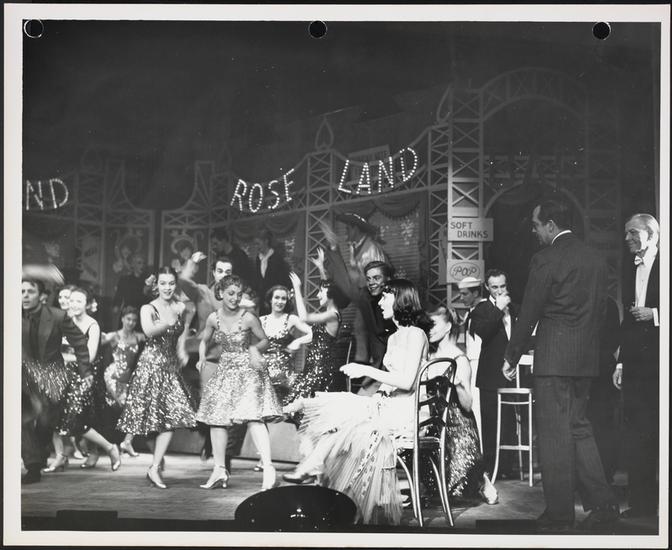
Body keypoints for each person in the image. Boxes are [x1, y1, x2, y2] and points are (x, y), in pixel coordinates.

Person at [503, 199, 618, 531]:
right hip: (585, 360)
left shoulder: (545, 258)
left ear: (551, 225)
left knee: (554, 435)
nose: (534, 231)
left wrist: (512, 355)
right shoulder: (596, 259)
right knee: (579, 428)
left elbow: (530, 311)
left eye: (536, 225)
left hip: (554, 359)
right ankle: (604, 505)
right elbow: (601, 311)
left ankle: (559, 514)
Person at [281, 279, 432, 525]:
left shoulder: (416, 334)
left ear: (400, 299)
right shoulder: (394, 337)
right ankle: (324, 480)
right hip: (392, 406)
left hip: (409, 413)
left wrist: (367, 370)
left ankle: (314, 465)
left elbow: (406, 381)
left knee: (347, 424)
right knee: (343, 423)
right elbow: (391, 381)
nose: (380, 302)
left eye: (385, 297)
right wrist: (379, 393)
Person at [196, 275, 281, 492]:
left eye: (238, 294)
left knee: (253, 417)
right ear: (221, 293)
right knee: (216, 419)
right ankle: (219, 470)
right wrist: (201, 357)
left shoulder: (248, 318)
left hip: (248, 370)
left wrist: (253, 349)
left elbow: (265, 340)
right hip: (225, 370)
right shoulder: (213, 318)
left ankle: (269, 468)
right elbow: (204, 341)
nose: (235, 298)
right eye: (230, 293)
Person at [117, 266, 197, 489]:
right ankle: (151, 460)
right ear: (156, 285)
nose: (167, 288)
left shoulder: (181, 306)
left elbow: (185, 325)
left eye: (171, 283)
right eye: (163, 283)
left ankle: (154, 466)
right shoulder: (148, 308)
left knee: (172, 416)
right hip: (151, 365)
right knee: (150, 418)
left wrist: (182, 347)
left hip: (170, 366)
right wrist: (169, 321)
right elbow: (149, 331)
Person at [21, 270, 90, 484]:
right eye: (21, 291)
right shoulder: (11, 314)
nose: (25, 296)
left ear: (42, 296)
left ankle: (39, 455)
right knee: (22, 419)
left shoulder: (58, 317)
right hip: (23, 375)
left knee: (45, 421)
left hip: (53, 375)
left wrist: (85, 371)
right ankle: (33, 466)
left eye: (30, 291)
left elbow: (79, 342)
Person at [612, 213, 660, 519]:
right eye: (626, 232)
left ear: (651, 235)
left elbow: (648, 314)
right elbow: (628, 322)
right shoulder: (631, 267)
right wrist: (620, 363)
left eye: (633, 233)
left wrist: (655, 314)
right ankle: (642, 506)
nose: (627, 238)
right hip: (635, 367)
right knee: (637, 434)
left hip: (660, 366)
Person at [427, 306, 498, 505]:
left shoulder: (460, 359)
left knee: (458, 493)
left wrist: (457, 385)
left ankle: (481, 480)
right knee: (435, 491)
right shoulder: (428, 357)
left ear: (448, 326)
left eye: (434, 325)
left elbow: (467, 405)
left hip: (459, 431)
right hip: (436, 426)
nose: (429, 330)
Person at [51, 287, 122, 472]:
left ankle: (110, 447)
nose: (74, 304)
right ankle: (65, 455)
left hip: (86, 376)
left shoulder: (92, 325)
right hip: (66, 375)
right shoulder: (66, 321)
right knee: (61, 415)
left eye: (79, 301)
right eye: (72, 300)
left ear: (87, 304)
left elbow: (89, 357)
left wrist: (63, 357)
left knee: (75, 417)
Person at [470, 269, 519, 480]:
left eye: (503, 286)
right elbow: (483, 332)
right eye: (495, 287)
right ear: (487, 288)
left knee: (510, 422)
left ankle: (509, 466)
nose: (499, 291)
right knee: (491, 423)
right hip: (490, 375)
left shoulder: (515, 308)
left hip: (512, 373)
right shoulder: (481, 309)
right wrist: (498, 309)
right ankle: (491, 468)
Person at [284, 249, 348, 412]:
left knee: (302, 407)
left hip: (321, 368)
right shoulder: (331, 309)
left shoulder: (332, 315)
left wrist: (297, 289)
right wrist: (320, 267)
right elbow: (328, 286)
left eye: (321, 292)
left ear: (331, 295)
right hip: (314, 364)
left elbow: (304, 317)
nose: (318, 295)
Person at [102, 305, 146, 457]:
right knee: (117, 409)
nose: (131, 323)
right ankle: (109, 445)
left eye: (134, 320)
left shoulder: (139, 337)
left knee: (138, 407)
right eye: (128, 319)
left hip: (128, 378)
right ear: (122, 319)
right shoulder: (113, 336)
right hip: (113, 377)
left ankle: (127, 442)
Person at [260, 285, 312, 405]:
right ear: (270, 299)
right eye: (277, 297)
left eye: (283, 299)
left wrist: (298, 341)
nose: (280, 301)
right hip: (264, 376)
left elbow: (313, 333)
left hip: (284, 377)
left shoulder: (291, 319)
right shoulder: (261, 320)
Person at [587, 296, 620, 484]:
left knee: (600, 422)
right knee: (600, 422)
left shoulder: (607, 304)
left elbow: (614, 339)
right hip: (599, 366)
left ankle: (602, 473)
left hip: (598, 369)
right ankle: (602, 473)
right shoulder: (608, 303)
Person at [456, 276, 486, 443]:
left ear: (475, 293)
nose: (461, 298)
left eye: (465, 294)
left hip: (481, 364)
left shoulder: (484, 310)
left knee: (478, 407)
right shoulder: (471, 312)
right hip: (471, 363)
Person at [253, 230, 291, 311]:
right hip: (263, 302)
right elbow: (258, 280)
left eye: (258, 243)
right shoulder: (258, 259)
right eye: (255, 244)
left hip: (277, 300)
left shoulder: (277, 258)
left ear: (266, 241)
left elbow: (283, 280)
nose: (256, 247)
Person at [112, 253, 150, 320]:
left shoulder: (148, 281)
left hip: (142, 315)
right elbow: (118, 297)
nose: (142, 265)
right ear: (133, 264)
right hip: (128, 314)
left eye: (143, 263)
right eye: (139, 263)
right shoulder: (125, 280)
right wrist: (116, 307)